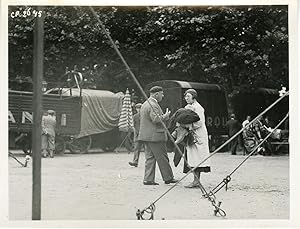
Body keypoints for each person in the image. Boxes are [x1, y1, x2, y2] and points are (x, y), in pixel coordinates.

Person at [138, 86, 177, 185]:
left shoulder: (145, 104)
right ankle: (168, 178)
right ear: (156, 94)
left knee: (150, 158)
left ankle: (148, 179)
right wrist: (166, 116)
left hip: (146, 136)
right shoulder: (153, 104)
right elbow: (155, 119)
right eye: (162, 94)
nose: (163, 96)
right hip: (155, 136)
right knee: (163, 157)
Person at [182, 89, 211, 190]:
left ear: (194, 97)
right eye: (185, 96)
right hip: (191, 133)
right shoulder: (186, 107)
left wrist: (188, 126)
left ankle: (196, 180)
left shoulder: (198, 108)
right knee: (192, 157)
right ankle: (195, 180)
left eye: (188, 96)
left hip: (198, 134)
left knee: (197, 157)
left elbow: (200, 122)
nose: (186, 98)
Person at [128, 103, 143, 167]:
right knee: (136, 148)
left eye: (140, 108)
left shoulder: (144, 116)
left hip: (144, 134)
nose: (138, 110)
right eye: (137, 108)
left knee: (148, 149)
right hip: (137, 134)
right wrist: (135, 133)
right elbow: (133, 126)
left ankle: (149, 162)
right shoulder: (135, 116)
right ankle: (135, 162)